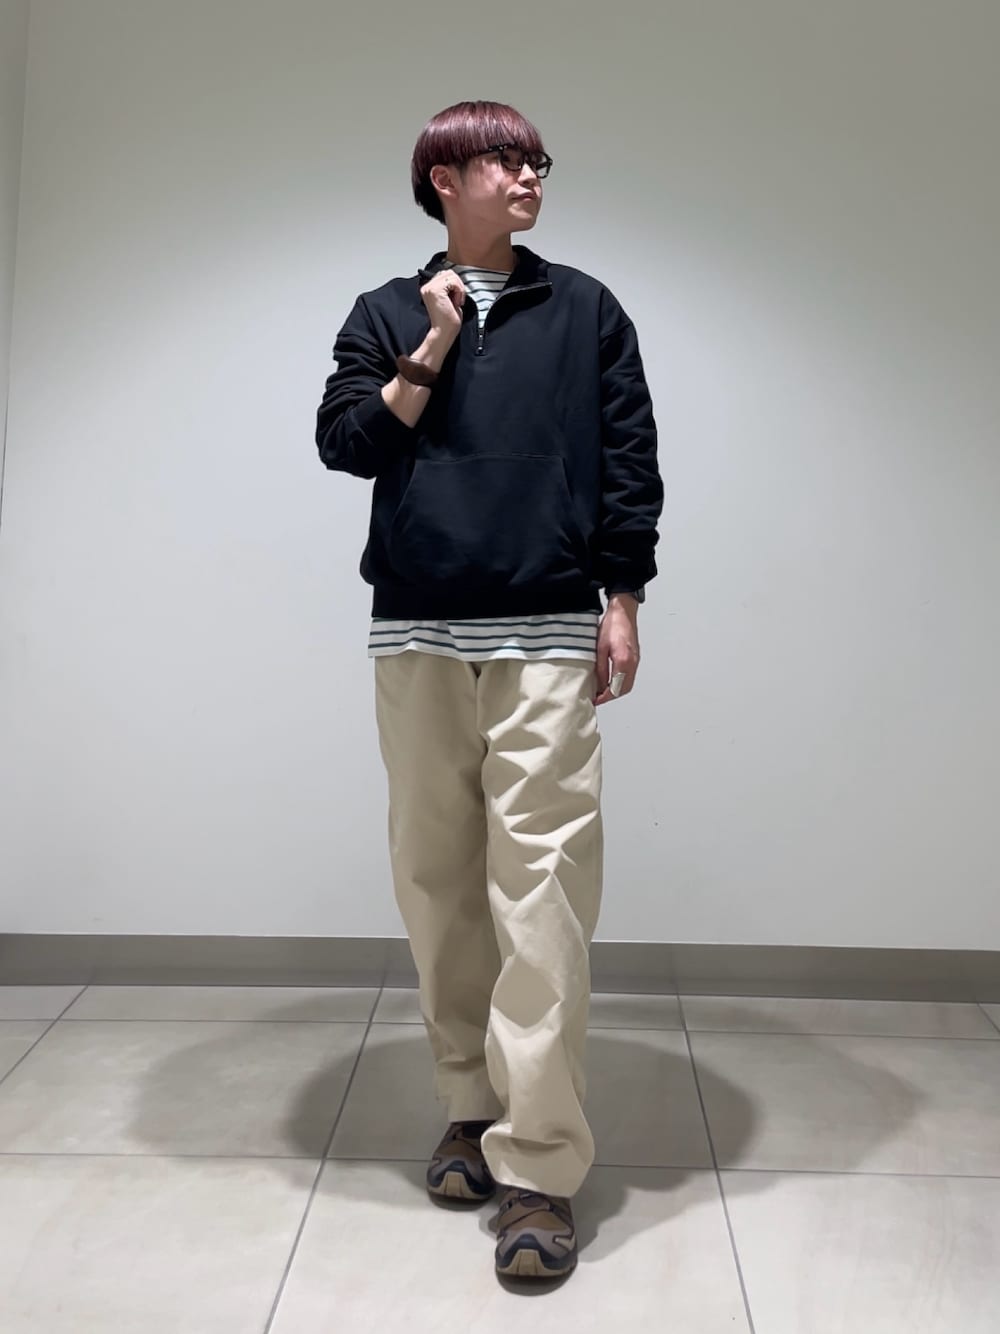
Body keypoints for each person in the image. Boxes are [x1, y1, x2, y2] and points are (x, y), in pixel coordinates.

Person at [315, 99, 663, 1283]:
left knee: (542, 894)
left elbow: (630, 458)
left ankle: (539, 1165)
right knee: (437, 881)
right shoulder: (384, 310)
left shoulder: (587, 310)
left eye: (534, 161)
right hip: (417, 631)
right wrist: (431, 344)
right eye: (504, 160)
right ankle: (469, 1106)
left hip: (547, 631)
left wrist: (623, 596)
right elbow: (349, 444)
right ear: (443, 179)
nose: (528, 177)